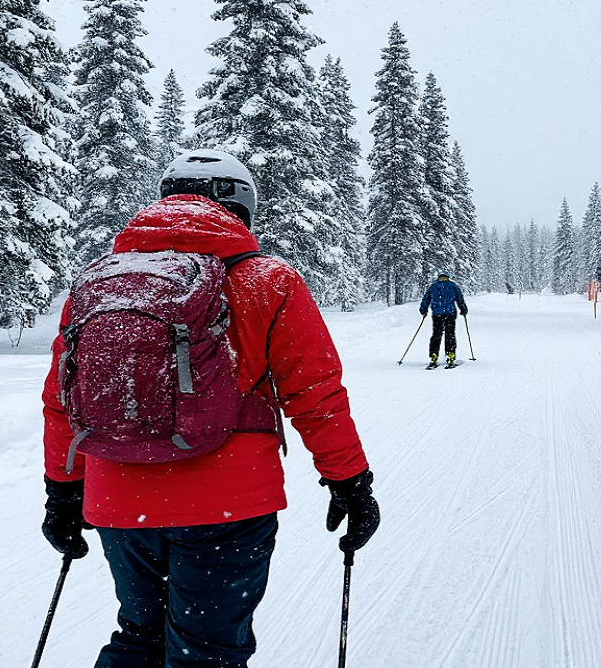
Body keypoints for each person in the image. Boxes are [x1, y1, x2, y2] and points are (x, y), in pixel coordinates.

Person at [40, 149, 379, 668]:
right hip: (229, 505)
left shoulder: (100, 279)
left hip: (121, 502)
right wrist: (350, 482)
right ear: (243, 209)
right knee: (208, 653)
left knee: (139, 635)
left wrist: (62, 494)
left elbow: (62, 401)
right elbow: (315, 395)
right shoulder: (268, 280)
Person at [419, 270, 468, 368]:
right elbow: (459, 299)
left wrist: (423, 310)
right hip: (450, 313)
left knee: (436, 334)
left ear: (439, 277)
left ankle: (434, 355)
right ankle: (450, 355)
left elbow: (426, 298)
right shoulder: (453, 286)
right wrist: (463, 309)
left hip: (437, 314)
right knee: (450, 334)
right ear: (448, 277)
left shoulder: (433, 286)